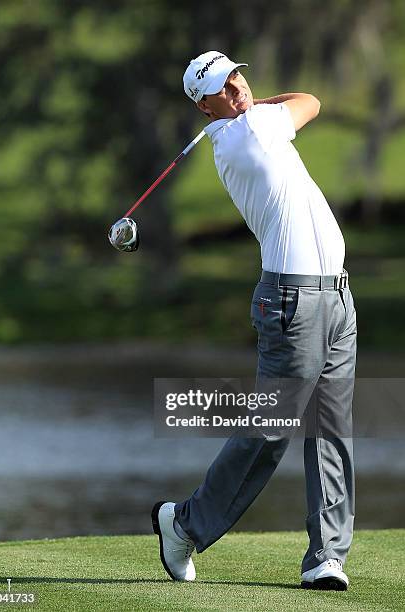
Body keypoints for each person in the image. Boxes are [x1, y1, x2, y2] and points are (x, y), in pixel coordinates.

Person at [152, 51, 356, 591]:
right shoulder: (248, 135)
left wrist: (246, 105)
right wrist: (254, 107)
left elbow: (293, 104)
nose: (239, 88)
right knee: (273, 428)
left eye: (237, 76)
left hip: (336, 293)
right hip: (292, 299)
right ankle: (184, 523)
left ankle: (326, 557)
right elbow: (310, 100)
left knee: (332, 430)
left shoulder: (244, 126)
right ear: (204, 106)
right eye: (223, 87)